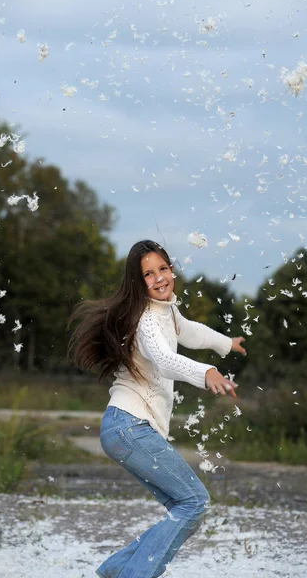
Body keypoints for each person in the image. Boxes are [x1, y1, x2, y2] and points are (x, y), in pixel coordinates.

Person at [67, 239, 247, 578]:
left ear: (172, 270)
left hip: (126, 429)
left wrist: (226, 343)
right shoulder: (146, 319)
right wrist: (205, 371)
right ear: (138, 282)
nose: (159, 278)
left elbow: (190, 332)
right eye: (148, 274)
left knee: (184, 507)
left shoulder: (167, 312)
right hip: (129, 426)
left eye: (162, 269)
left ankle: (115, 570)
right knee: (193, 502)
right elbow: (164, 361)